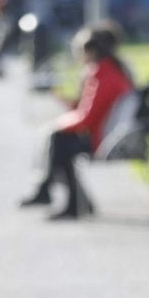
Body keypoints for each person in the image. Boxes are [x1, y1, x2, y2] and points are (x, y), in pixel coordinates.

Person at [18, 20, 134, 220]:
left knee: (59, 140)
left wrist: (58, 125)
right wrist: (65, 105)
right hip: (106, 133)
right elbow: (88, 110)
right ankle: (67, 199)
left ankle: (60, 197)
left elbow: (88, 118)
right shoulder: (111, 70)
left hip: (103, 138)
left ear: (91, 50)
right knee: (59, 139)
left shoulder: (102, 74)